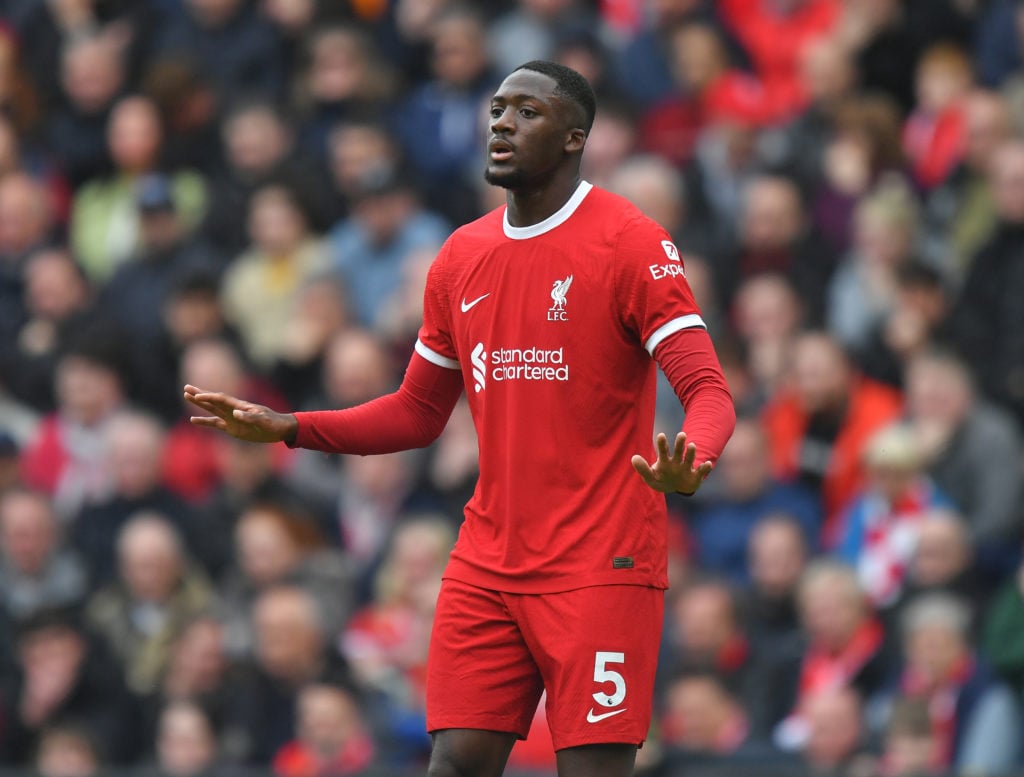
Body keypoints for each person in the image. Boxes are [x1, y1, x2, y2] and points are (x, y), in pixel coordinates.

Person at [185, 61, 735, 777]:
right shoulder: (462, 257)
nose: (502, 123)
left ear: (574, 138)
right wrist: (291, 427)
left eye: (526, 112)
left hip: (602, 564)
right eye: (497, 109)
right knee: (453, 763)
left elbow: (709, 391)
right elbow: (416, 413)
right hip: (489, 562)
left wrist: (692, 459)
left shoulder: (630, 242)